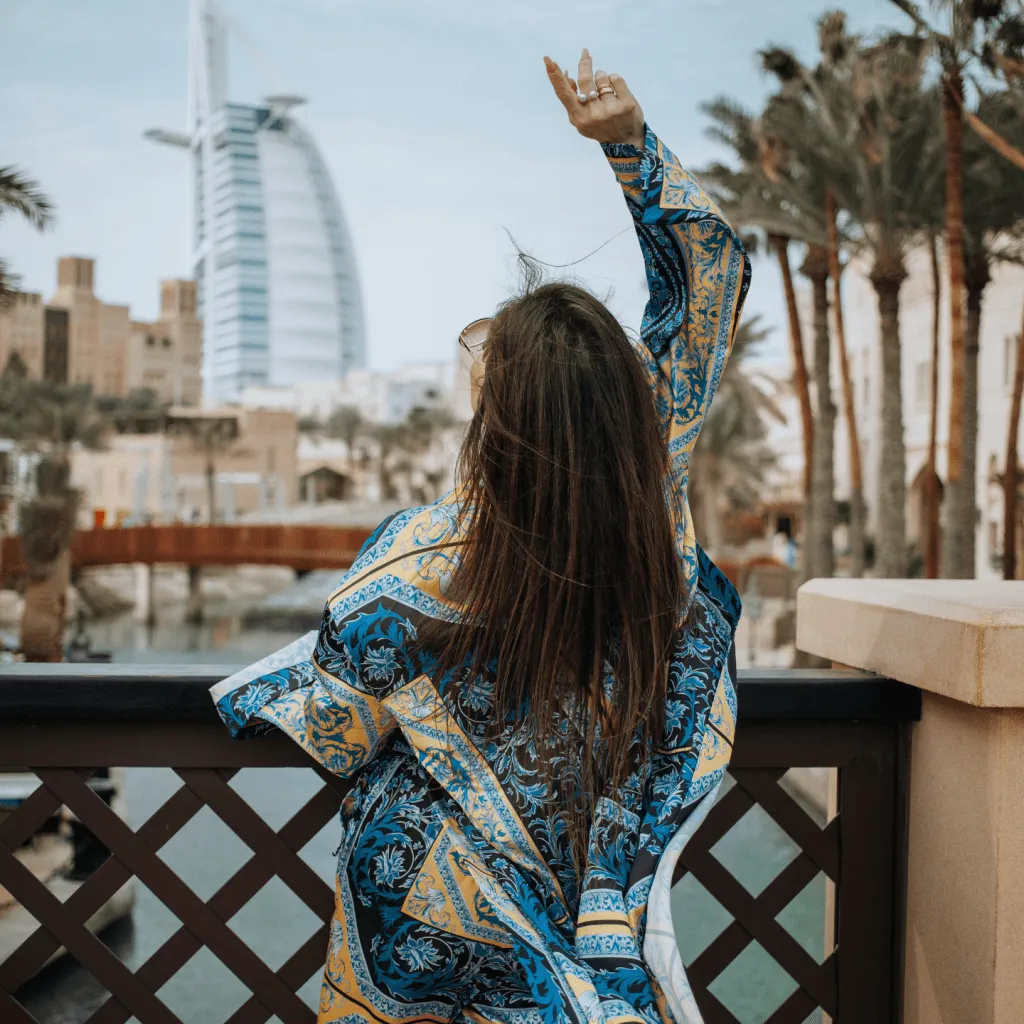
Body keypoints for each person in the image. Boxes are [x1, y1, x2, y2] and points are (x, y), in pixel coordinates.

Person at [212, 48, 749, 1024]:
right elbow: (708, 285)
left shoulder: (426, 558)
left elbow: (333, 713)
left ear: (494, 424)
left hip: (420, 953)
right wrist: (629, 147)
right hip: (594, 954)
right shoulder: (650, 532)